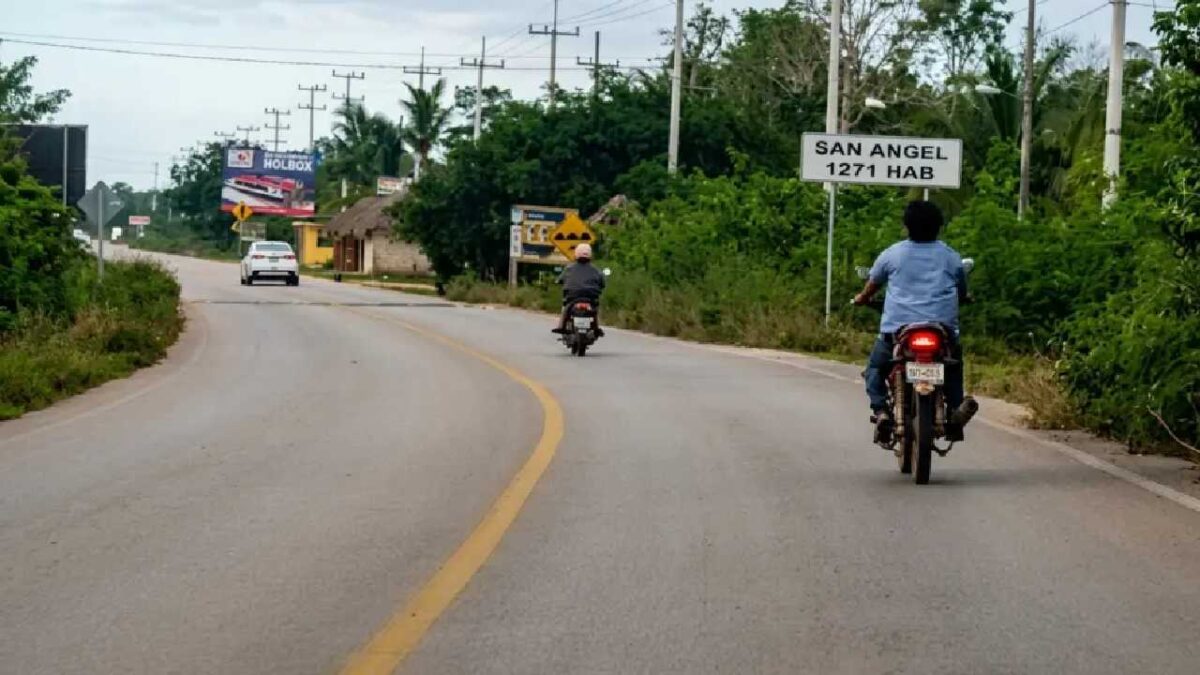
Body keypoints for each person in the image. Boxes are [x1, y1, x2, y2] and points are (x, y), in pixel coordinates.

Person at [852, 201, 975, 443]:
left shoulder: (892, 254)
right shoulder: (950, 257)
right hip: (942, 330)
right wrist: (964, 298)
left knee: (876, 368)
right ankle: (953, 411)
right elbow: (961, 289)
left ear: (906, 226)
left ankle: (881, 411)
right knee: (953, 366)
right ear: (939, 227)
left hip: (898, 330)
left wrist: (862, 298)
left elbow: (872, 285)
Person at [552, 243, 606, 336]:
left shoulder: (569, 268)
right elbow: (602, 283)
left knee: (566, 307)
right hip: (591, 297)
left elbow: (560, 279)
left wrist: (558, 281)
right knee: (595, 309)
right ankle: (596, 328)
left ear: (576, 254)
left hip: (572, 296)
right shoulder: (596, 270)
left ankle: (561, 326)